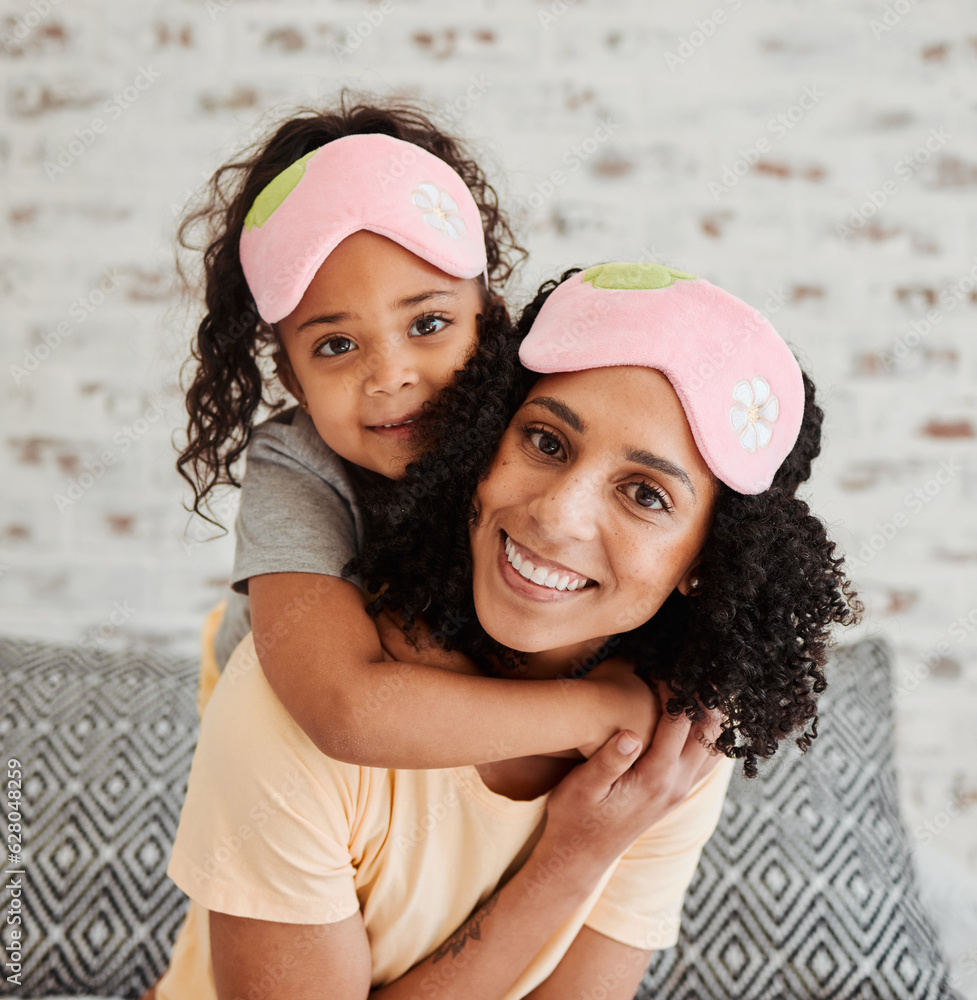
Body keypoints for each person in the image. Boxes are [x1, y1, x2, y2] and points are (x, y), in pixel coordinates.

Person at [155, 262, 861, 999]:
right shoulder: (292, 707)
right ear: (481, 448)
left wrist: (599, 832)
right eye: (547, 443)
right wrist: (574, 859)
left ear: (707, 561)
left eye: (645, 494)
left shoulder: (673, 752)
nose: (556, 515)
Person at [175, 97, 657, 765]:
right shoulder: (297, 465)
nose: (390, 375)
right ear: (292, 382)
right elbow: (345, 712)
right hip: (295, 756)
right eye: (337, 345)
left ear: (489, 318)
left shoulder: (534, 424)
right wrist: (603, 709)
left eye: (428, 324)